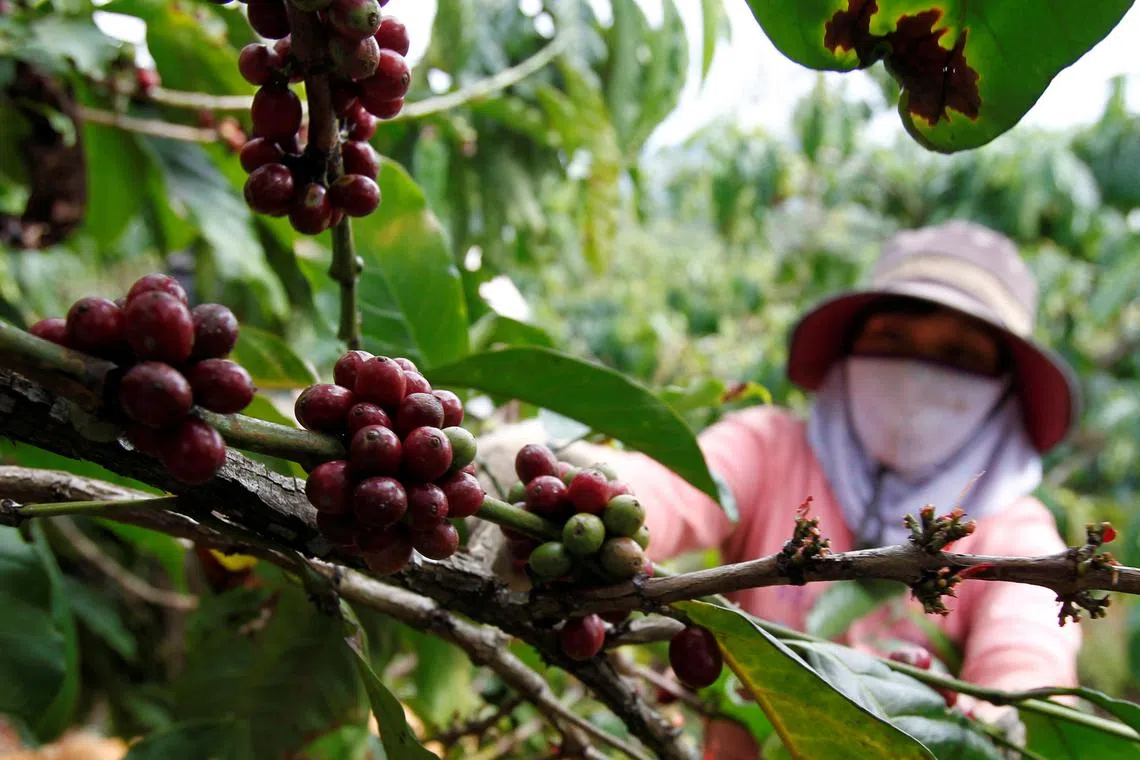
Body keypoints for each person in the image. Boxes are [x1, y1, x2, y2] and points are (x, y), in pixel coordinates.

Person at [480, 219, 1082, 758]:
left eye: (958, 354)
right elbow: (674, 493)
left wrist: (994, 728)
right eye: (893, 339)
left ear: (1002, 387)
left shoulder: (1014, 530)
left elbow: (1024, 667)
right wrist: (565, 482)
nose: (917, 373)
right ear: (850, 353)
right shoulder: (770, 447)